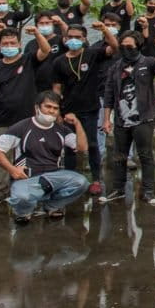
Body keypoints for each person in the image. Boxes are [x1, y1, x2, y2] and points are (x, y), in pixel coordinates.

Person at [0, 91, 90, 223]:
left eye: (55, 108)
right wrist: (12, 170)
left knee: (81, 182)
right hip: (27, 178)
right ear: (37, 107)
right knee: (21, 198)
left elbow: (82, 147)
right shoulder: (22, 127)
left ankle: (53, 206)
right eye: (47, 107)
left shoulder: (61, 130)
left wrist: (77, 124)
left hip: (53, 177)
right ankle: (24, 212)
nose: (51, 111)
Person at [0, 25, 52, 206]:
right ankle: (0, 191)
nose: (9, 46)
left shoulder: (28, 60)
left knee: (32, 157)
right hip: (1, 119)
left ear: (20, 44)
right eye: (5, 43)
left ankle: (30, 190)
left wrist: (37, 33)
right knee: (0, 157)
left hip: (28, 119)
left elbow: (45, 50)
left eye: (13, 43)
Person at [102, 31, 155, 204]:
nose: (126, 49)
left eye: (130, 46)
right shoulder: (115, 68)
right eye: (123, 46)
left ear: (138, 46)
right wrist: (106, 119)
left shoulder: (147, 62)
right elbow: (109, 94)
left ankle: (148, 191)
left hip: (144, 118)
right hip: (121, 119)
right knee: (119, 156)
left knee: (145, 155)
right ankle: (118, 189)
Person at [53, 22, 118, 197]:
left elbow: (114, 47)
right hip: (68, 109)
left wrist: (104, 29)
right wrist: (57, 111)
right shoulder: (59, 61)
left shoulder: (92, 54)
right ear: (65, 39)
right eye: (70, 37)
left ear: (84, 39)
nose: (73, 40)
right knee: (69, 146)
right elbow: (57, 88)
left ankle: (96, 180)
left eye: (78, 37)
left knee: (92, 144)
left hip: (90, 108)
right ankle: (70, 180)